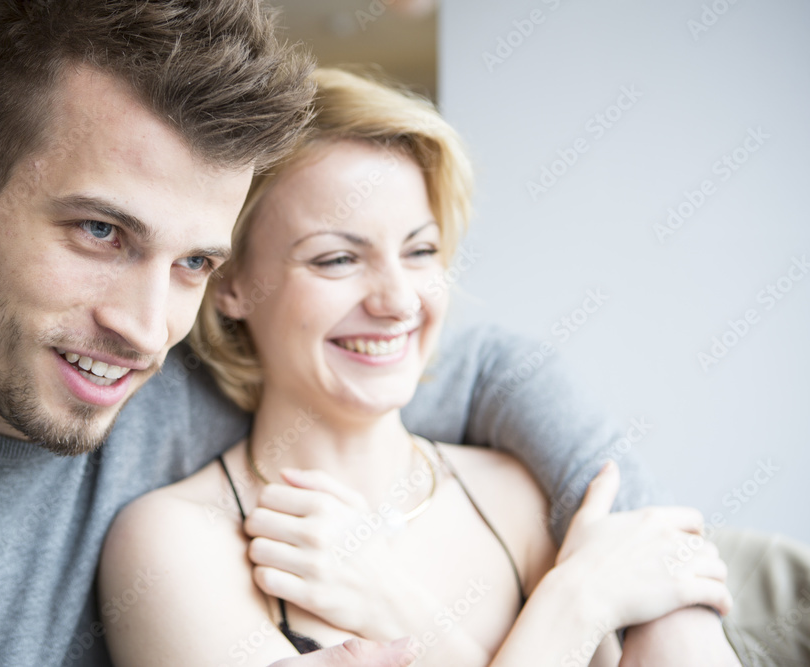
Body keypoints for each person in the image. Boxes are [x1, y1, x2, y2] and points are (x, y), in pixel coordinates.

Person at [0, 1, 726, 665]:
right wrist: (574, 607)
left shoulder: (162, 374)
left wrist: (671, 602)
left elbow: (463, 362)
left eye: (195, 263)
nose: (145, 330)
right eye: (100, 231)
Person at [98, 68, 749, 666]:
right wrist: (575, 601)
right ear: (231, 282)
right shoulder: (172, 546)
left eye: (421, 251)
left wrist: (401, 607)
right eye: (336, 259)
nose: (397, 301)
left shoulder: (518, 496)